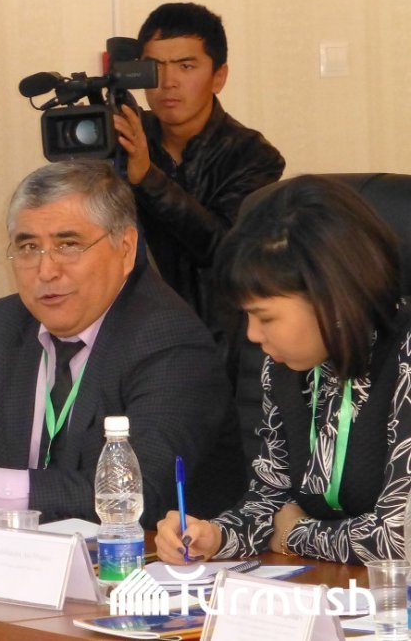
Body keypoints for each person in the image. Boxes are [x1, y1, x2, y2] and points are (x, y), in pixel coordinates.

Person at [0, 159, 245, 526]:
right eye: (28, 247)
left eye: (68, 245)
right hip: (22, 555)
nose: (46, 271)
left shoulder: (168, 340)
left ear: (126, 248)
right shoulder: (0, 326)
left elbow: (138, 493)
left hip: (148, 560)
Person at [155, 175, 411, 565]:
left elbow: (400, 539)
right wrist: (215, 536)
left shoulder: (404, 354)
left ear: (331, 298)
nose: (253, 335)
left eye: (266, 317)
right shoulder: (287, 363)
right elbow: (270, 500)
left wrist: (296, 533)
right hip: (334, 588)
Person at [113, 2, 285, 348]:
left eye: (186, 66)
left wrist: (147, 177)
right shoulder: (122, 138)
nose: (167, 82)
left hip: (223, 342)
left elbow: (223, 249)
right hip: (137, 333)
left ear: (218, 77)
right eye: (154, 67)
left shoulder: (253, 155)